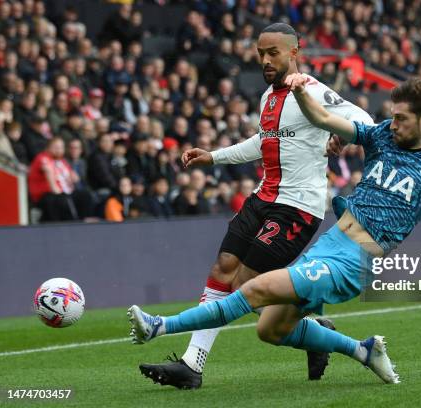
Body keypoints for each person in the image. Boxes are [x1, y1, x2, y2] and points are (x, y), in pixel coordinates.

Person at [128, 76, 421, 385]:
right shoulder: (383, 133)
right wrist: (302, 91)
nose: (393, 122)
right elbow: (330, 119)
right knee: (270, 330)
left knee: (258, 287)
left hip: (357, 259)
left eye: (404, 117)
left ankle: (159, 327)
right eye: (393, 114)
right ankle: (363, 349)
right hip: (332, 241)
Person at [137, 23, 373, 389]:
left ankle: (309, 332)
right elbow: (261, 143)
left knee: (246, 284)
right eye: (261, 52)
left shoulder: (311, 90)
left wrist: (337, 132)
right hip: (263, 197)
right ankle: (192, 365)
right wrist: (212, 157)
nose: (265, 59)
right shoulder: (267, 97)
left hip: (297, 209)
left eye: (273, 52)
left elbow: (364, 119)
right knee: (223, 267)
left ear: (294, 53)